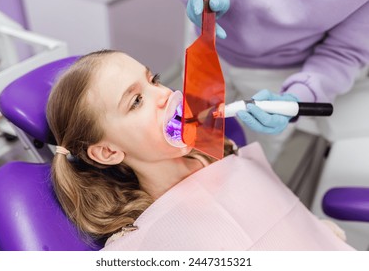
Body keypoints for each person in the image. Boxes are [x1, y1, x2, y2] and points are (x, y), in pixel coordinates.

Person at [47, 49, 353, 250]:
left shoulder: (226, 152)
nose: (165, 94)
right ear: (108, 152)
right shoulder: (140, 245)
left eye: (153, 80)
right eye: (136, 101)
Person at [178, 0, 369, 163]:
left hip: (282, 73)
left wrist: (301, 95)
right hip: (208, 39)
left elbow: (344, 52)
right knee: (191, 129)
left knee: (254, 156)